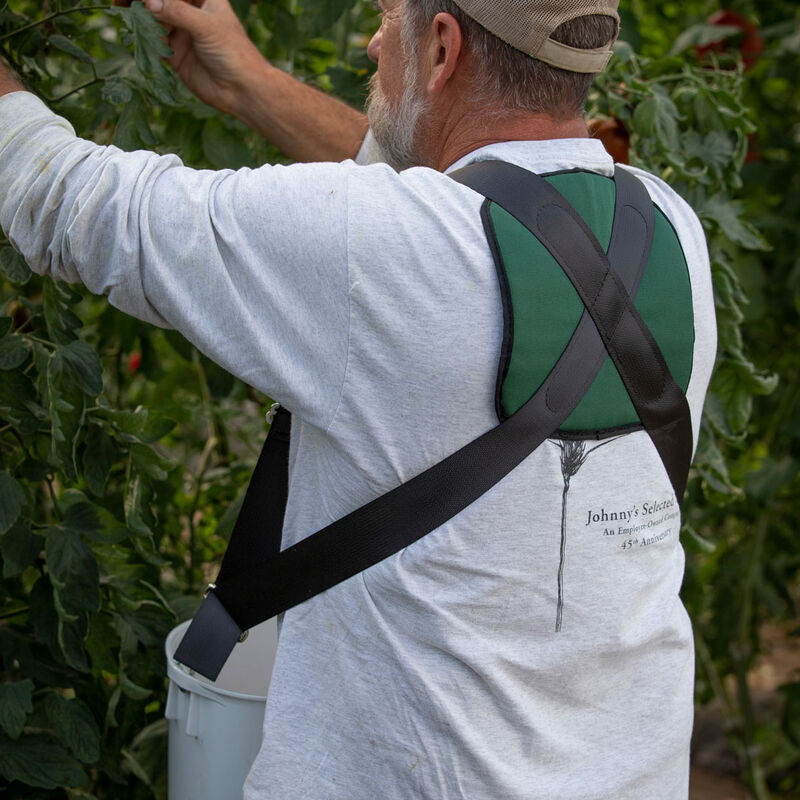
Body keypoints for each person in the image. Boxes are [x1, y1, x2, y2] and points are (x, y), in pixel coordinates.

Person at [0, 0, 717, 797]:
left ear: (442, 45)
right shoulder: (668, 228)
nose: (374, 42)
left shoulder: (374, 249)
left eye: (388, 17)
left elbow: (64, 198)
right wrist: (251, 86)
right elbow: (453, 203)